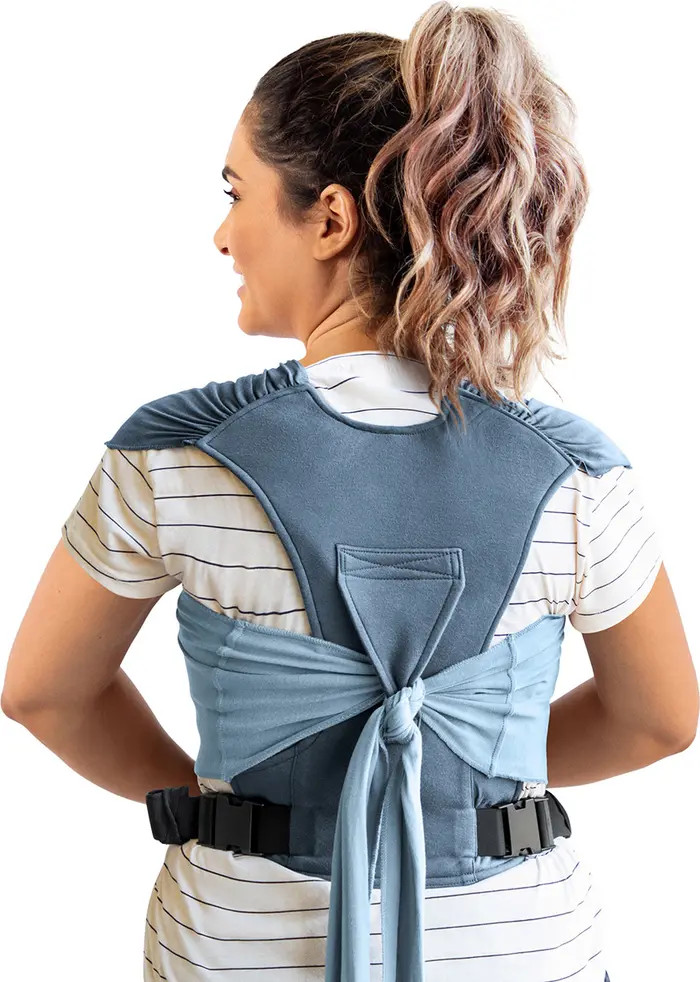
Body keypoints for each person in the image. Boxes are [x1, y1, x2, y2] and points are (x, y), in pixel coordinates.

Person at [3, 4, 697, 982]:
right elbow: (659, 719)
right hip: (520, 949)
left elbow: (44, 692)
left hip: (239, 945)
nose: (221, 234)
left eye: (236, 192)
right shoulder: (576, 472)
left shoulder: (173, 455)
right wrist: (462, 776)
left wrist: (216, 799)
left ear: (328, 219)